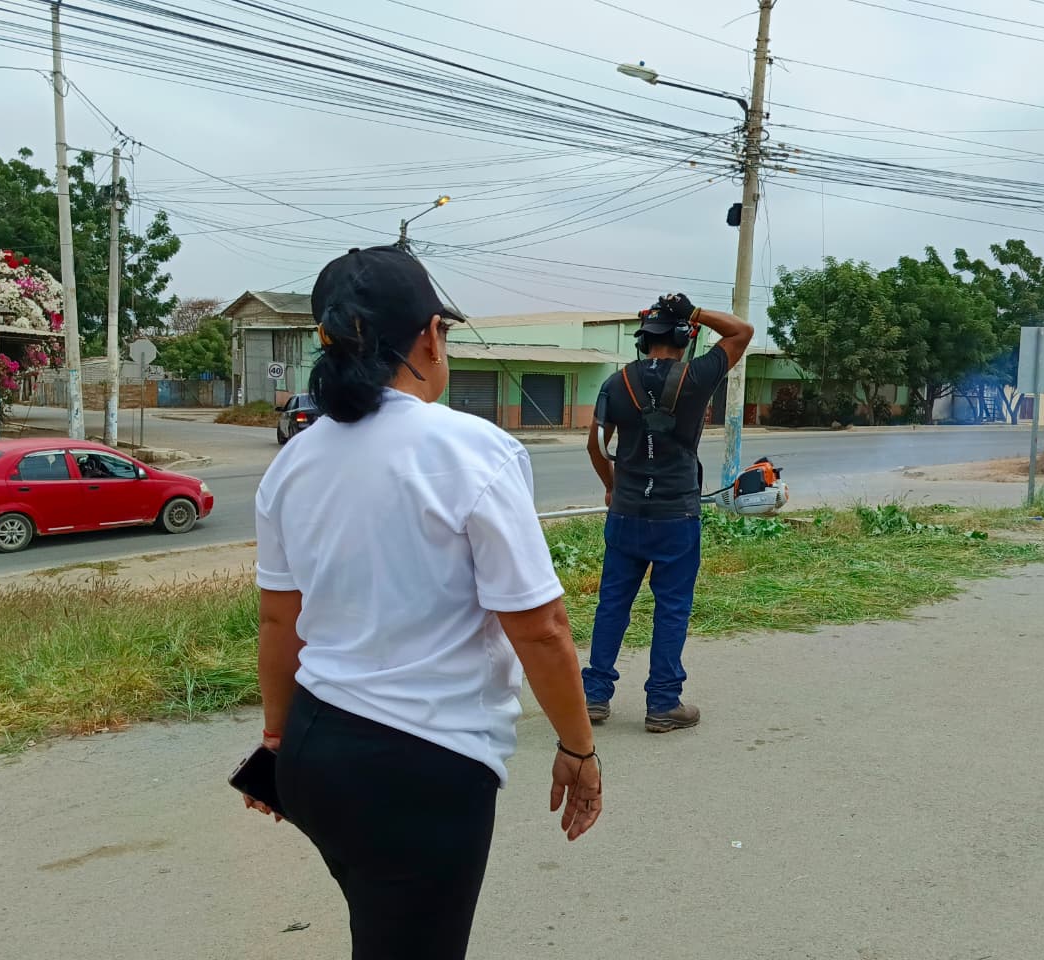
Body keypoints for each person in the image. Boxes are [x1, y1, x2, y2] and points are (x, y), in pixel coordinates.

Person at [243, 245, 603, 960]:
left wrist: (276, 742)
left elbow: (280, 619)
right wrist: (578, 748)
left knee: (384, 931)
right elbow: (541, 629)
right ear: (431, 335)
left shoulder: (295, 461)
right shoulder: (474, 450)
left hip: (316, 750)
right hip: (421, 768)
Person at [583, 292, 753, 733]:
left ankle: (594, 697)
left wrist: (611, 486)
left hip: (626, 512)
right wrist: (693, 312)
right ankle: (662, 704)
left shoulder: (616, 383)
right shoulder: (696, 376)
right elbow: (741, 332)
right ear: (683, 338)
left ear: (643, 341)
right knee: (672, 608)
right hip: (676, 515)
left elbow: (596, 446)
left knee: (612, 604)